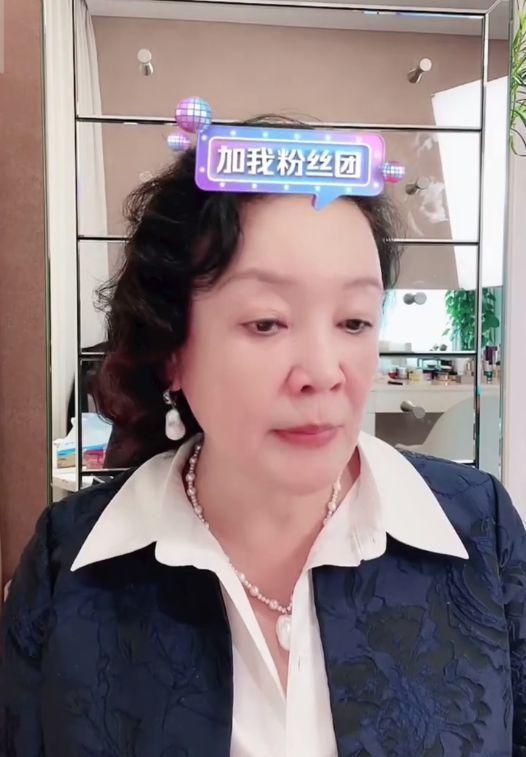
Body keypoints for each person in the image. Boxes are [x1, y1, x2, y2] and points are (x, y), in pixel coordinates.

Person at [1, 115, 525, 756]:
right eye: (267, 323)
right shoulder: (68, 566)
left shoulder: (481, 531)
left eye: (355, 321)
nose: (324, 373)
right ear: (171, 348)